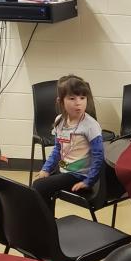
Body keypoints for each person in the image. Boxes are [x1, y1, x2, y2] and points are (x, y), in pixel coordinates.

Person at [33, 75, 104, 209]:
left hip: (79, 175)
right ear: (61, 102)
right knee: (39, 182)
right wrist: (46, 169)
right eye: (72, 98)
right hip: (64, 167)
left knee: (39, 187)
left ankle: (46, 225)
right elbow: (57, 149)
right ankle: (47, 223)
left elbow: (98, 157)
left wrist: (89, 181)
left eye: (82, 98)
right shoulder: (60, 120)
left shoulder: (90, 125)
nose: (78, 102)